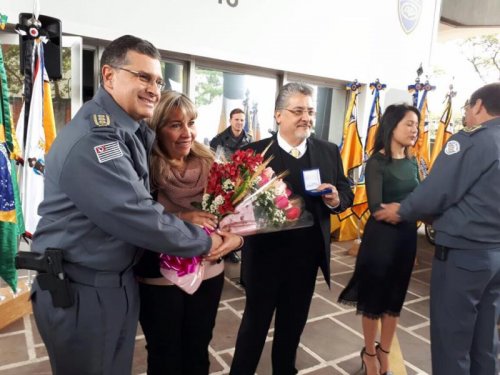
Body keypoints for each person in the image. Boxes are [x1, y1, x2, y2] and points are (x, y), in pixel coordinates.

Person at [28, 35, 234, 375]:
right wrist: (206, 242)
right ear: (109, 76)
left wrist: (183, 217)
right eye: (142, 76)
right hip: (83, 287)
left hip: (115, 280)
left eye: (156, 79)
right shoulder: (95, 140)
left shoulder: (131, 131)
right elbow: (134, 214)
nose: (153, 88)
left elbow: (139, 204)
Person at [374, 82, 500, 375]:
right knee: (484, 340)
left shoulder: (472, 141)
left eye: (468, 106)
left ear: (479, 106)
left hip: (463, 256)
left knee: (452, 341)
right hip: (494, 256)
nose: (466, 113)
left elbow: (438, 190)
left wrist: (403, 209)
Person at [230, 82, 354, 374]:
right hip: (264, 260)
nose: (306, 117)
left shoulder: (327, 151)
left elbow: (345, 190)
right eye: (297, 110)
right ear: (278, 115)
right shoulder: (254, 154)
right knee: (254, 328)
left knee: (292, 328)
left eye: (310, 111)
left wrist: (336, 198)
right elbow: (233, 204)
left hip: (306, 260)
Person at [135, 91, 243, 374]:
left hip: (209, 274)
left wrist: (237, 237)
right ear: (156, 129)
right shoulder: (142, 168)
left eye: (191, 123)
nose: (187, 133)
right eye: (175, 125)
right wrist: (181, 217)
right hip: (159, 281)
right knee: (164, 354)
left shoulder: (213, 165)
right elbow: (136, 221)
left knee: (198, 349)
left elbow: (235, 216)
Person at [338, 104, 420, 375]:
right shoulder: (377, 162)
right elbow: (377, 208)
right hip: (381, 242)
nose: (414, 130)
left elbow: (418, 200)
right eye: (409, 123)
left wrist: (406, 209)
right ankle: (369, 354)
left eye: (416, 125)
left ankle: (385, 352)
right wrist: (411, 208)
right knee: (373, 301)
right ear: (392, 125)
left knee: (395, 299)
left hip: (407, 239)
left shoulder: (412, 162)